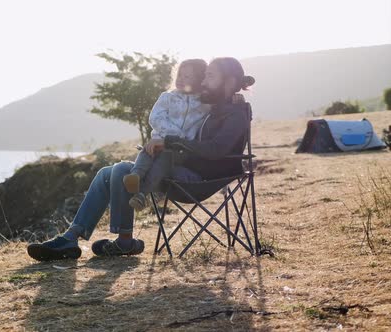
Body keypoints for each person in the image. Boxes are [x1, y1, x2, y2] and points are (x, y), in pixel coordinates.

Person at [27, 57, 255, 262]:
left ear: (228, 81)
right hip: (180, 167)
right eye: (204, 76)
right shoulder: (215, 106)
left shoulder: (233, 112)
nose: (203, 81)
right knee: (107, 172)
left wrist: (170, 142)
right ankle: (74, 237)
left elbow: (215, 149)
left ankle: (120, 241)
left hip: (197, 179)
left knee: (120, 170)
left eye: (210, 76)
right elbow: (195, 113)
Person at [122, 59, 211, 212]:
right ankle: (135, 176)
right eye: (180, 75)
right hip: (158, 141)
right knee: (148, 151)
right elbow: (155, 118)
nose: (181, 79)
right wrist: (166, 137)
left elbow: (224, 102)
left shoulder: (204, 103)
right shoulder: (167, 97)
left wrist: (237, 98)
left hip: (181, 150)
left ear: (199, 81)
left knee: (164, 158)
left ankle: (142, 193)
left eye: (187, 77)